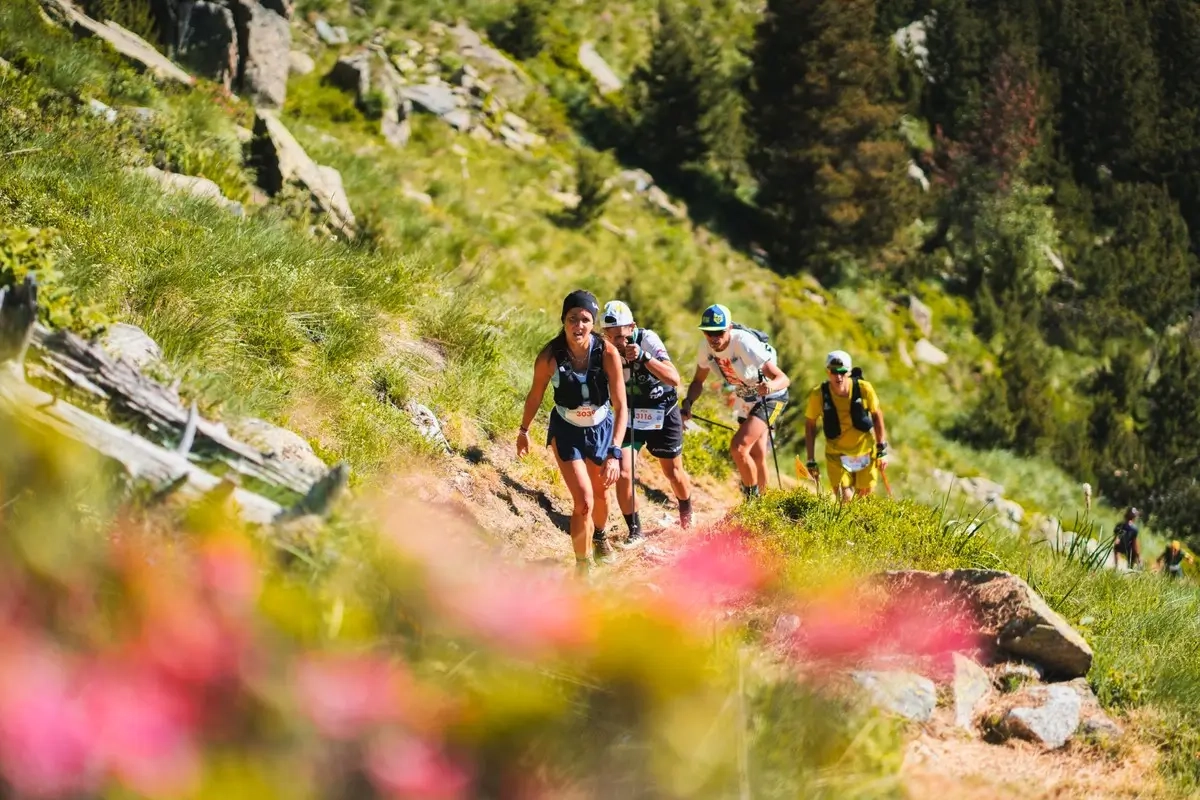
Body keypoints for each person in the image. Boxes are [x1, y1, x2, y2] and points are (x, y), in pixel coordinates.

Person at [517, 290, 628, 575]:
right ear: (563, 320)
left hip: (601, 429)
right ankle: (583, 567)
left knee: (601, 495)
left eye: (585, 319)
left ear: (593, 323)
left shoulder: (608, 353)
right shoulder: (549, 357)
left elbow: (621, 406)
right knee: (583, 502)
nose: (579, 325)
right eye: (572, 319)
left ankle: (600, 535)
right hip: (567, 432)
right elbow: (535, 395)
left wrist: (615, 452)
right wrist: (524, 430)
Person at [600, 300, 694, 545]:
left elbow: (674, 379)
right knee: (623, 472)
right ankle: (635, 531)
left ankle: (686, 512)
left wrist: (644, 357)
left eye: (621, 336)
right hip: (630, 416)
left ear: (632, 327)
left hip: (663, 412)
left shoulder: (647, 339)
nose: (617, 342)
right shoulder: (604, 349)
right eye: (611, 336)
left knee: (672, 472)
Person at [680, 304, 790, 500]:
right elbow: (698, 381)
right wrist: (688, 402)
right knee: (756, 454)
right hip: (745, 397)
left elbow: (783, 379)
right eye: (709, 332)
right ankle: (765, 503)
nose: (714, 338)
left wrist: (770, 387)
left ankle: (752, 501)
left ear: (729, 328)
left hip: (770, 397)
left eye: (719, 332)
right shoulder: (705, 348)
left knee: (739, 447)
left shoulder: (743, 343)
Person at [803, 351, 888, 503]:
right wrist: (810, 459)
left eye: (842, 372)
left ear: (849, 372)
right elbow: (810, 424)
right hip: (837, 456)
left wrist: (881, 449)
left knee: (864, 501)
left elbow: (877, 415)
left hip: (865, 453)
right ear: (828, 372)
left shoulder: (864, 389)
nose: (838, 376)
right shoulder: (819, 394)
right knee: (845, 499)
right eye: (834, 372)